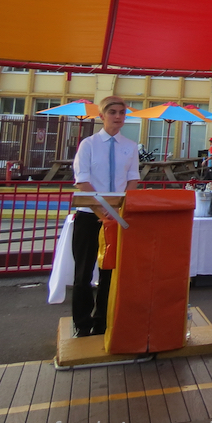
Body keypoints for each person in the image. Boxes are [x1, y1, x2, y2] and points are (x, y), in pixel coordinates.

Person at [72, 96, 140, 337]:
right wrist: (102, 212)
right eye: (113, 112)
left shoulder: (130, 146)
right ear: (102, 116)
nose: (118, 116)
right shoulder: (88, 145)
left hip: (117, 217)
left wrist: (120, 209)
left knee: (110, 271)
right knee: (83, 272)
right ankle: (81, 323)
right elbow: (82, 181)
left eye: (122, 112)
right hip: (90, 215)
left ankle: (103, 320)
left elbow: (133, 178)